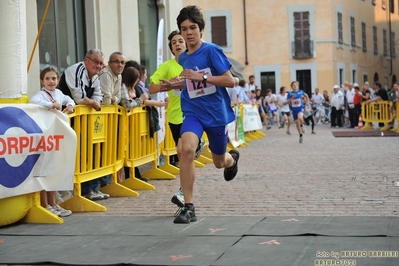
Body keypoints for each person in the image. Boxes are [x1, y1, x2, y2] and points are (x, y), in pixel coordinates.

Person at [160, 5, 239, 224]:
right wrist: (174, 85)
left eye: (192, 27)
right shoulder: (182, 58)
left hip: (215, 114)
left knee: (218, 161)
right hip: (193, 112)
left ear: (200, 29)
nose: (188, 32)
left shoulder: (212, 50)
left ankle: (231, 160)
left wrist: (201, 78)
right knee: (185, 150)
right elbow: (190, 83)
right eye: (184, 29)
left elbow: (230, 80)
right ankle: (189, 206)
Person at [58, 48, 109, 201]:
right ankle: (73, 192)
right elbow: (79, 98)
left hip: (83, 121)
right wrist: (93, 103)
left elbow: (99, 97)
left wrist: (93, 102)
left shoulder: (95, 77)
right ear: (86, 60)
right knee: (75, 155)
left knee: (90, 152)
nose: (99, 66)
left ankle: (91, 189)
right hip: (65, 121)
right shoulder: (76, 70)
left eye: (101, 63)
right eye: (96, 62)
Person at [29, 66, 74, 217]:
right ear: (42, 81)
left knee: (54, 170)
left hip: (56, 138)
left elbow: (68, 100)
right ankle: (45, 204)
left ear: (58, 80)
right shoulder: (41, 95)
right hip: (44, 138)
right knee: (44, 170)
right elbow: (34, 101)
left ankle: (54, 203)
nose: (51, 81)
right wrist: (52, 105)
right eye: (47, 78)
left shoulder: (59, 93)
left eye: (54, 78)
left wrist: (70, 105)